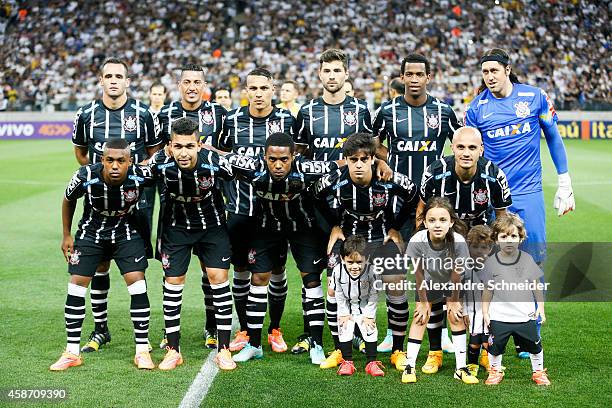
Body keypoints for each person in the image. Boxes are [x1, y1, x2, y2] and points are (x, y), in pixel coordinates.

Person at [465, 47, 574, 357]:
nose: (489, 77)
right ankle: (490, 328)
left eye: (494, 71)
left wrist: (564, 180)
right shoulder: (476, 109)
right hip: (493, 196)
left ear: (507, 69)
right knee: (490, 263)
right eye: (484, 72)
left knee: (533, 260)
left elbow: (553, 135)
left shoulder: (535, 96)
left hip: (528, 193)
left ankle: (531, 331)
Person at [71, 57, 162, 353]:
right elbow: (82, 155)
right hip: (98, 203)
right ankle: (100, 329)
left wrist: (129, 180)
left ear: (127, 81)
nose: (113, 80)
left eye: (118, 76)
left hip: (135, 205)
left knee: (136, 268)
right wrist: (102, 178)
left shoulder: (143, 113)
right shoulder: (85, 114)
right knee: (99, 264)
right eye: (108, 76)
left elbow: (152, 153)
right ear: (100, 80)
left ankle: (144, 336)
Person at [373, 52, 461, 353]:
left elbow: (460, 144)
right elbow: (372, 144)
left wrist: (443, 170)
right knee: (394, 271)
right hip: (396, 203)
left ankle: (442, 334)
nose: (413, 80)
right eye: (407, 75)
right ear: (402, 77)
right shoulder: (386, 111)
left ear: (428, 77)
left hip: (433, 205)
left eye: (418, 74)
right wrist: (384, 162)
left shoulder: (444, 111)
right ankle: (393, 332)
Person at [222, 132, 335, 364]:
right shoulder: (253, 168)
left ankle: (317, 345)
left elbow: (340, 165)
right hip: (267, 227)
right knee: (259, 278)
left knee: (311, 280)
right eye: (272, 159)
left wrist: (379, 161)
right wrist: (203, 147)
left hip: (303, 228)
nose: (278, 164)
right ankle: (254, 344)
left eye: (284, 159)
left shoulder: (307, 169)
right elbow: (222, 156)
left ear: (293, 156)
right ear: (264, 157)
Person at [292, 48, 373, 354]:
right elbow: (299, 157)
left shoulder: (361, 111)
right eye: (326, 71)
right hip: (315, 205)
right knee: (311, 273)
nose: (331, 76)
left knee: (350, 270)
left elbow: (369, 154)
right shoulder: (307, 112)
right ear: (319, 74)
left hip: (350, 206)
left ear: (346, 74)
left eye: (337, 70)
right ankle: (311, 334)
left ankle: (351, 333)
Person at [313, 133, 415, 372]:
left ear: (372, 159)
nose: (358, 164)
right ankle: (340, 349)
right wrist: (334, 225)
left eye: (364, 159)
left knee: (396, 283)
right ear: (346, 160)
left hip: (381, 237)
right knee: (333, 286)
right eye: (353, 159)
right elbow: (315, 195)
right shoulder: (334, 180)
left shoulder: (386, 177)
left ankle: (397, 350)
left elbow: (412, 194)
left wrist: (395, 226)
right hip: (349, 240)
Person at [50, 139, 155, 371]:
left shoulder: (142, 175)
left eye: (121, 161)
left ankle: (141, 350)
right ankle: (72, 351)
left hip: (126, 232)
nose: (115, 166)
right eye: (110, 160)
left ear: (130, 161)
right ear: (102, 161)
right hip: (91, 233)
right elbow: (68, 199)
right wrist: (66, 235)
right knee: (76, 286)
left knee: (137, 283)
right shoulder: (85, 175)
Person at [149, 118, 236, 371]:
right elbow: (135, 176)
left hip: (212, 226)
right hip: (176, 228)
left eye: (189, 146)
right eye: (178, 146)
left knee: (218, 278)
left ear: (199, 145)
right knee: (173, 282)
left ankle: (223, 349)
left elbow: (249, 172)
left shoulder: (215, 162)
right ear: (170, 146)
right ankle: (173, 350)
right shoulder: (160, 164)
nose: (183, 152)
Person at [219, 68, 295, 354]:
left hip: (275, 212)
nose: (259, 93)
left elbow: (296, 157)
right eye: (253, 88)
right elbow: (222, 156)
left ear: (272, 89)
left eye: (264, 88)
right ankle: (245, 329)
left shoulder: (287, 119)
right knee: (240, 270)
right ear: (246, 91)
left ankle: (275, 329)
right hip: (239, 208)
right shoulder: (232, 120)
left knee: (276, 271)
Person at [157, 64, 228, 350]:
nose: (191, 87)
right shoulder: (164, 114)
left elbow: (228, 153)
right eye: (186, 82)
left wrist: (211, 153)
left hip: (210, 200)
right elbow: (155, 155)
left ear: (204, 84)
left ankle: (212, 327)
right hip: (172, 205)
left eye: (197, 82)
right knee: (172, 272)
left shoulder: (219, 114)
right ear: (179, 84)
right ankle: (169, 332)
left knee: (209, 270)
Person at [401, 197, 478, 384]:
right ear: (425, 222)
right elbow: (418, 273)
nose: (437, 225)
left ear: (451, 222)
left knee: (455, 316)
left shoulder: (458, 241)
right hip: (428, 281)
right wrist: (423, 302)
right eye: (432, 220)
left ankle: (460, 368)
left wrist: (453, 301)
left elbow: (457, 273)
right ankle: (409, 366)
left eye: (443, 220)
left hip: (453, 282)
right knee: (420, 316)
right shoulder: (417, 240)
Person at [482, 213, 550, 386]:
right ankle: (495, 371)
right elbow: (487, 290)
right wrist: (485, 312)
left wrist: (540, 308)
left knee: (535, 346)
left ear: (520, 238)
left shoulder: (527, 260)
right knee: (495, 347)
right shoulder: (491, 263)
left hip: (524, 316)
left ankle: (538, 372)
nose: (509, 240)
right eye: (504, 236)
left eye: (513, 236)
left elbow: (536, 286)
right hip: (499, 316)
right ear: (496, 239)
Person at [334, 235, 385, 377]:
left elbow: (374, 294)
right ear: (342, 258)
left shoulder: (373, 271)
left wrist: (369, 315)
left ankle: (371, 362)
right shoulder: (337, 271)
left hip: (364, 306)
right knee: (344, 328)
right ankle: (347, 362)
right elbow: (338, 293)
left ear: (367, 258)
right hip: (348, 306)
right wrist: (343, 313)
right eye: (350, 262)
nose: (355, 266)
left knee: (370, 329)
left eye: (359, 262)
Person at [464, 225, 494, 378]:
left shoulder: (494, 265)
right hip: (473, 312)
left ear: (490, 248)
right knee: (474, 341)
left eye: (484, 247)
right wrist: (463, 312)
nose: (479, 251)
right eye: (475, 247)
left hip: (491, 313)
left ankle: (490, 362)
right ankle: (473, 364)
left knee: (489, 341)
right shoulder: (465, 266)